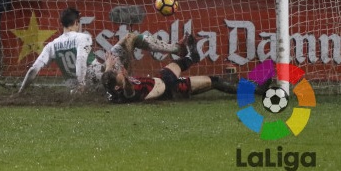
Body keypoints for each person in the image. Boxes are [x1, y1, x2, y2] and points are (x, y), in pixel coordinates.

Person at [18, 7, 194, 94]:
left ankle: (126, 81)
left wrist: (20, 92)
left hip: (81, 88)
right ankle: (177, 49)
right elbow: (80, 59)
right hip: (101, 80)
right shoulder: (82, 37)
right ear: (77, 22)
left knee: (125, 47)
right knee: (131, 38)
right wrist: (81, 83)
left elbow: (33, 69)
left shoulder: (52, 45)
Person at [100, 56, 238, 103]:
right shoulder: (126, 93)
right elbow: (129, 91)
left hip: (161, 78)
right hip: (172, 89)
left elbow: (106, 79)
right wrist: (126, 79)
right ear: (118, 87)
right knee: (214, 81)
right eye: (117, 73)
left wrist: (108, 66)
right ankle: (253, 90)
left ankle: (193, 54)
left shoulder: (110, 85)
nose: (119, 72)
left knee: (180, 62)